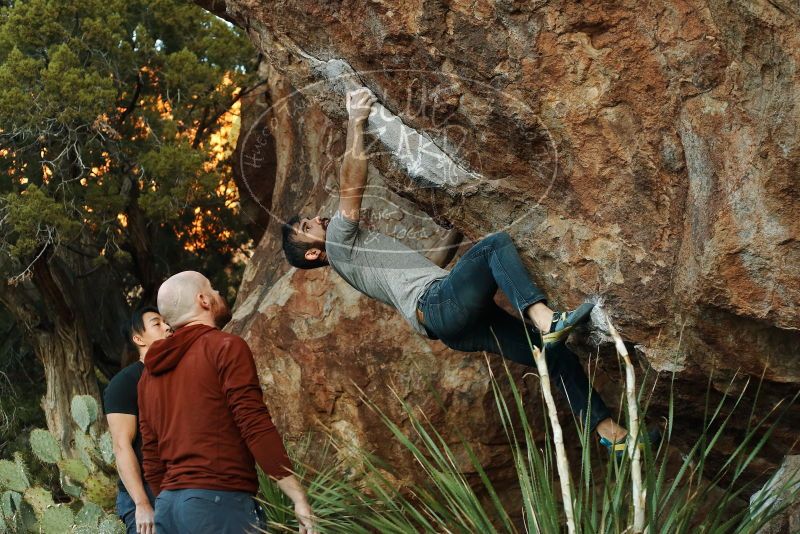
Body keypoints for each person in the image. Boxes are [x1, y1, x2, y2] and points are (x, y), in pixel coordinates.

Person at [281, 88, 640, 452]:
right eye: (307, 227)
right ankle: (547, 320)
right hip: (439, 306)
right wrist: (356, 122)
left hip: (448, 322)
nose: (316, 219)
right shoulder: (339, 243)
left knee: (554, 356)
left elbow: (433, 263)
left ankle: (613, 436)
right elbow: (351, 184)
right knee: (495, 245)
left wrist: (458, 220)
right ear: (313, 254)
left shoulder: (354, 259)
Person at [138, 271, 315, 534]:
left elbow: (150, 453)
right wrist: (298, 497)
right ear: (203, 300)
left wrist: (172, 498)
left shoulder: (147, 375)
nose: (218, 293)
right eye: (213, 288)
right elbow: (253, 423)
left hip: (169, 508)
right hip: (218, 504)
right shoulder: (225, 346)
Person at [104, 306, 172, 534]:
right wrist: (142, 504)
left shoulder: (179, 373)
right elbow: (121, 446)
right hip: (145, 492)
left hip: (182, 484)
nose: (167, 326)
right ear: (138, 338)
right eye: (157, 323)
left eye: (167, 321)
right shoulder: (124, 383)